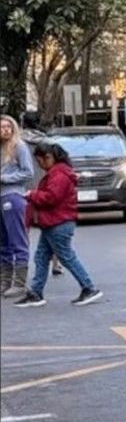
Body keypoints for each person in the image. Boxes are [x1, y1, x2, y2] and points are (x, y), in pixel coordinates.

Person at [14, 143, 102, 308]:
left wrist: (32, 195)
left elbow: (51, 198)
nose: (39, 164)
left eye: (40, 160)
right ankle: (36, 293)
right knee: (41, 257)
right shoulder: (58, 172)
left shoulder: (59, 174)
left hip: (58, 222)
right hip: (53, 222)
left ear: (47, 158)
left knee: (66, 257)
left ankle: (89, 288)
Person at [1, 115, 35, 299]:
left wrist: (5, 178)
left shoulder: (19, 147)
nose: (5, 130)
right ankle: (5, 281)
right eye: (2, 127)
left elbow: (28, 172)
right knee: (3, 243)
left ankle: (19, 283)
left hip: (13, 196)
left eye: (8, 127)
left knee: (17, 240)